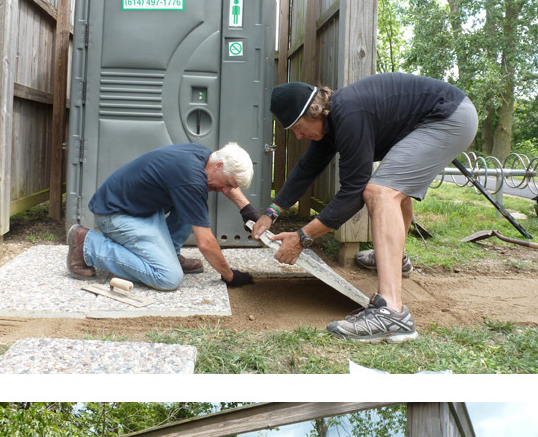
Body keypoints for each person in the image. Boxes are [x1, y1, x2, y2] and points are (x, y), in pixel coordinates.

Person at [254, 72, 479, 343]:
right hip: (437, 117)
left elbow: (352, 194)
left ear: (314, 111)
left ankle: (392, 313)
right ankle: (396, 260)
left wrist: (302, 238)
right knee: (395, 188)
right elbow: (306, 169)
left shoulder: (349, 115)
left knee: (379, 191)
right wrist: (271, 213)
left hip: (449, 118)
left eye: (298, 128)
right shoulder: (331, 122)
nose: (299, 136)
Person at [66, 137, 259, 290]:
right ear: (218, 166)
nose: (226, 190)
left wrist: (246, 208)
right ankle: (88, 245)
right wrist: (230, 276)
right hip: (116, 215)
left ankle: (170, 256)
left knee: (196, 204)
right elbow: (205, 243)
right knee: (168, 278)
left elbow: (216, 187)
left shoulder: (203, 157)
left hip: (140, 208)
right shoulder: (191, 178)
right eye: (227, 184)